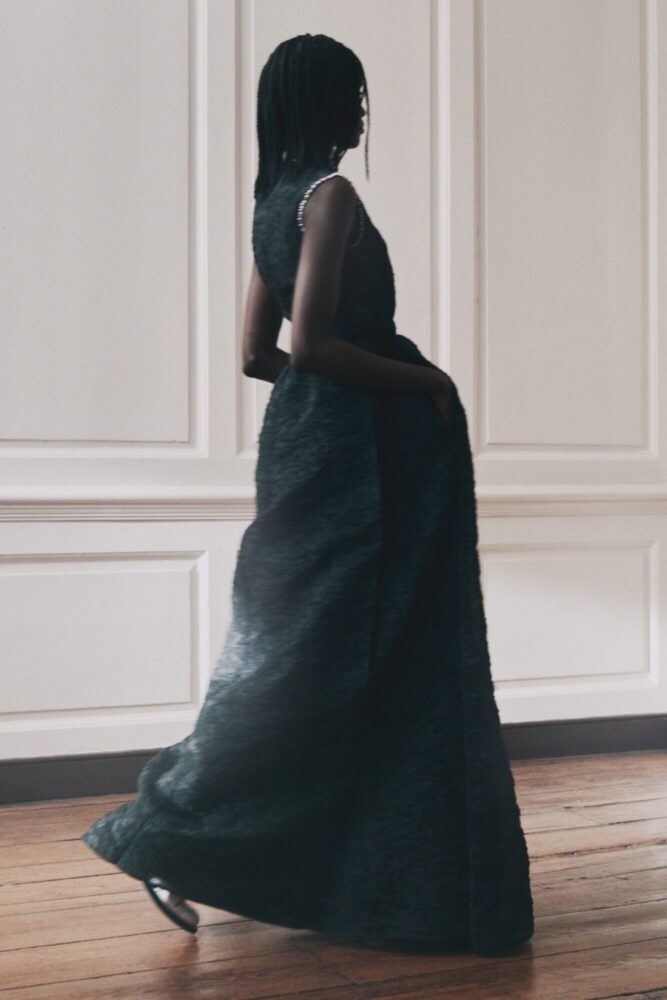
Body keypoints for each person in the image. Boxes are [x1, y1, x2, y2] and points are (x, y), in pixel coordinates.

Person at [81, 32, 534, 957]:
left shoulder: (270, 206)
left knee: (307, 656)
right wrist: (427, 381)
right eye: (349, 97)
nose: (361, 114)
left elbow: (260, 355)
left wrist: (325, 400)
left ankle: (349, 876)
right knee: (362, 657)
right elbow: (317, 344)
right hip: (364, 457)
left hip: (302, 447)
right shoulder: (330, 196)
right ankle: (165, 836)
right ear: (318, 105)